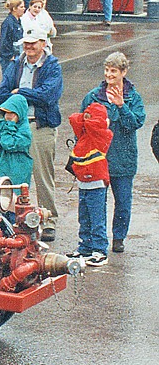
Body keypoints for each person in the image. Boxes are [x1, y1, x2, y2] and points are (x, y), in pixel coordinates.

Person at [0, 27, 62, 241]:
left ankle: (48, 219)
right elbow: (3, 93)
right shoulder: (15, 64)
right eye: (26, 42)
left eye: (33, 43)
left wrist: (21, 93)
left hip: (40, 127)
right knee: (14, 175)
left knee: (42, 176)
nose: (29, 47)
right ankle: (15, 219)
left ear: (43, 43)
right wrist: (21, 98)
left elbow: (48, 96)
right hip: (17, 128)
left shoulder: (52, 66)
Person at [80, 52, 145, 254]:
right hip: (98, 159)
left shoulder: (133, 97)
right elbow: (82, 126)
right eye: (107, 70)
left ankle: (118, 237)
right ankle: (95, 240)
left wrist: (121, 106)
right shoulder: (92, 96)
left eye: (114, 71)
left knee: (123, 202)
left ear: (124, 72)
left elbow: (136, 123)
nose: (109, 74)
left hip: (123, 159)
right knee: (95, 202)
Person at [65, 102, 113, 267]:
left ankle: (100, 251)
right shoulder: (85, 133)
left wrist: (92, 118)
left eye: (90, 116)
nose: (86, 119)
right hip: (83, 184)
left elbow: (94, 124)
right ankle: (85, 248)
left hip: (96, 185)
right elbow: (74, 119)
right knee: (84, 218)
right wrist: (87, 115)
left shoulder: (101, 135)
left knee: (97, 219)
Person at [0, 93, 33, 222]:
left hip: (17, 168)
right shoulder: (5, 124)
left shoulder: (25, 131)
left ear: (20, 114)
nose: (8, 117)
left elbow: (8, 144)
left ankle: (12, 226)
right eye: (6, 113)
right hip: (1, 164)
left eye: (12, 114)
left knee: (11, 199)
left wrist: (9, 127)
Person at [0, 0, 25, 76]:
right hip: (9, 56)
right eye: (21, 7)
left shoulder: (18, 21)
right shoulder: (8, 23)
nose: (24, 9)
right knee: (9, 77)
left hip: (17, 53)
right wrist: (9, 56)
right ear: (14, 9)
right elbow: (4, 41)